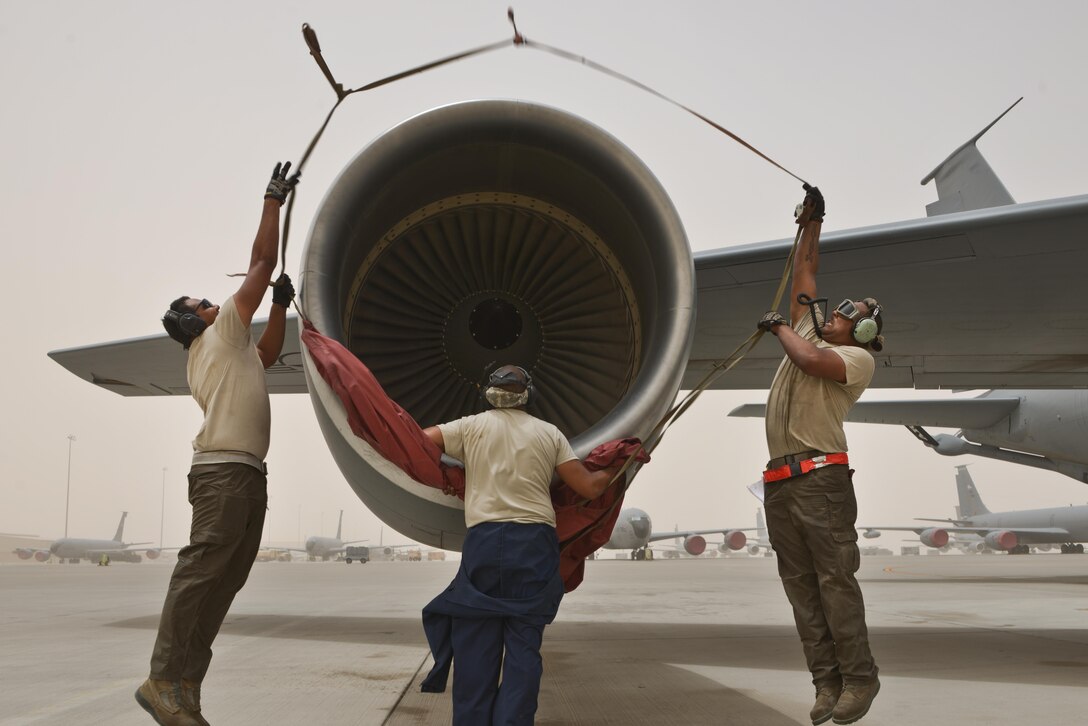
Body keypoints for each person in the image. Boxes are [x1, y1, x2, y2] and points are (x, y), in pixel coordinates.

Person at [135, 162, 300, 726]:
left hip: (245, 476)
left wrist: (278, 304)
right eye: (202, 301)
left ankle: (185, 686)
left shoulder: (226, 350)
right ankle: (162, 679)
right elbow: (261, 261)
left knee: (224, 581)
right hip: (224, 475)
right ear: (193, 322)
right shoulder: (219, 334)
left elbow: (270, 355)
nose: (215, 302)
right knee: (201, 574)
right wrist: (272, 201)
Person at [420, 365, 620, 725]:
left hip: (484, 539)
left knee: (476, 644)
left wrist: (453, 466)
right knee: (523, 648)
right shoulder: (550, 434)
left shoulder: (469, 426)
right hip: (534, 543)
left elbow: (418, 439)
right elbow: (589, 488)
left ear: (490, 393)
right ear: (529, 394)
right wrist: (615, 469)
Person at [756, 186, 885, 726]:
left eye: (846, 313)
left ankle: (859, 679)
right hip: (783, 482)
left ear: (863, 330)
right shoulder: (810, 329)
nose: (833, 313)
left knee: (834, 583)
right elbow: (805, 277)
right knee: (802, 591)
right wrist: (813, 223)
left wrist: (781, 328)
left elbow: (809, 360)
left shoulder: (854, 358)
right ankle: (826, 683)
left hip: (820, 480)